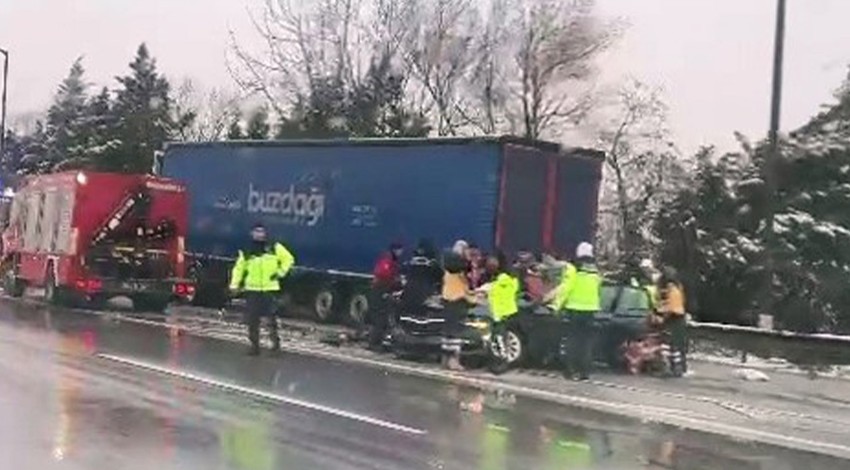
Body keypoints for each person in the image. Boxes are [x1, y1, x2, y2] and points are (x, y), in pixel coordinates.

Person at [229, 223, 296, 356]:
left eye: (261, 232)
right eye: (256, 232)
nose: (259, 234)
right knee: (253, 320)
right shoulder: (247, 251)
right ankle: (254, 346)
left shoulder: (274, 247)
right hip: (252, 289)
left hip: (269, 289)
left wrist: (280, 273)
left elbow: (289, 259)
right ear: (252, 234)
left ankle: (275, 346)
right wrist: (234, 285)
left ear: (265, 234)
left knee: (271, 319)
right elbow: (239, 269)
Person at [553, 242, 601, 380]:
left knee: (572, 341)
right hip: (590, 309)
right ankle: (584, 371)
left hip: (574, 309)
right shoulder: (595, 269)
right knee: (586, 342)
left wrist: (556, 306)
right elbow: (598, 288)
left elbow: (565, 288)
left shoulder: (573, 267)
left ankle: (571, 370)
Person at [441, 248, 477, 371]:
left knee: (448, 332)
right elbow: (465, 290)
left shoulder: (447, 272)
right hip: (458, 301)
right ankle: (454, 361)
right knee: (456, 332)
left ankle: (446, 359)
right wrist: (474, 298)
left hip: (447, 301)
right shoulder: (459, 273)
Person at [366, 242, 404, 350]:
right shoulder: (388, 260)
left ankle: (378, 341)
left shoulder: (392, 260)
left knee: (384, 317)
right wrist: (396, 282)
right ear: (394, 250)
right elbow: (383, 275)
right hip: (380, 291)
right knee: (380, 318)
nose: (401, 252)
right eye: (400, 249)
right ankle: (373, 343)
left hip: (383, 291)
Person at [487, 252, 520, 368]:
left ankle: (502, 363)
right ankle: (500, 361)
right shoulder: (507, 278)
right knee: (499, 338)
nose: (489, 264)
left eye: (493, 262)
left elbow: (498, 297)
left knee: (500, 339)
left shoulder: (504, 280)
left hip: (502, 313)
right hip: (502, 312)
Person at [400, 240, 443, 316]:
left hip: (407, 300)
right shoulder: (433, 265)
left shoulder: (409, 264)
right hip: (424, 300)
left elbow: (402, 276)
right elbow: (440, 278)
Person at [658, 266, 688, 376]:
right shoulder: (678, 287)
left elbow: (670, 307)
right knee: (675, 345)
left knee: (667, 344)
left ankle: (669, 367)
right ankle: (677, 368)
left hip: (673, 318)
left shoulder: (670, 289)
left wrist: (662, 317)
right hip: (678, 318)